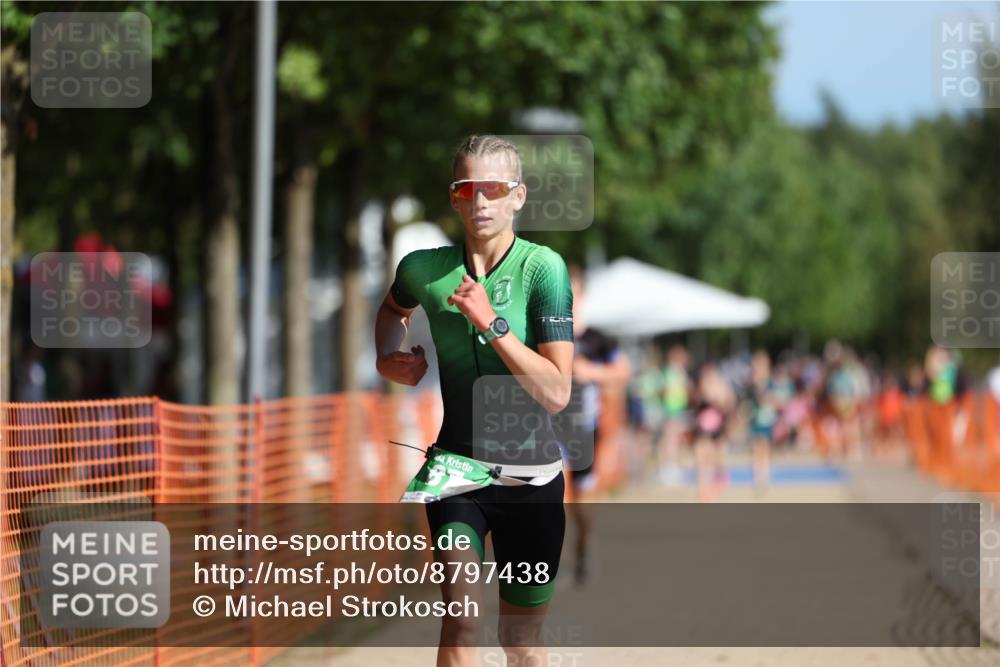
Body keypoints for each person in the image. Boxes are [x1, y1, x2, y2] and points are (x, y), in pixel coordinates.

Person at [375, 135, 575, 667]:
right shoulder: (424, 268)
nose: (481, 201)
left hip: (531, 477)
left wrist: (492, 324)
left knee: (522, 643)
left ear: (518, 197)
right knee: (462, 619)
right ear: (454, 198)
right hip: (456, 468)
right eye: (469, 189)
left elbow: (557, 392)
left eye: (494, 188)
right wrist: (388, 358)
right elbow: (392, 311)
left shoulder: (543, 269)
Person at [566, 266, 630, 584]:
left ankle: (585, 543)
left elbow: (622, 371)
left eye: (572, 292)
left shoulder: (597, 339)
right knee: (543, 494)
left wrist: (591, 372)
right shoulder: (544, 333)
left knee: (581, 498)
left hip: (582, 427)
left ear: (583, 295)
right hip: (545, 425)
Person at [656, 344, 691, 485]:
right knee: (669, 439)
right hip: (670, 409)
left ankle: (671, 466)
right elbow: (663, 390)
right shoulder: (669, 372)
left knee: (675, 439)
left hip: (677, 409)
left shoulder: (678, 371)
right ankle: (667, 468)